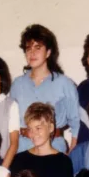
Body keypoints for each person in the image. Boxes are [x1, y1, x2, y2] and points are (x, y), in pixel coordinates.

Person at [10, 24, 80, 154]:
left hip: (54, 148)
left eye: (38, 48)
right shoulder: (17, 84)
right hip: (23, 149)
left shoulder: (64, 83)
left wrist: (72, 153)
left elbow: (76, 122)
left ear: (48, 52)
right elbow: (11, 123)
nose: (32, 53)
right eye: (28, 48)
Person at [10, 102, 73, 177]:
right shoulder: (19, 160)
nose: (34, 134)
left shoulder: (63, 162)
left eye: (38, 128)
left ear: (51, 128)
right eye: (30, 129)